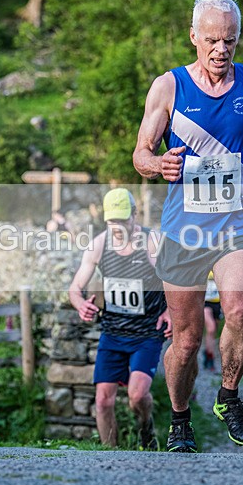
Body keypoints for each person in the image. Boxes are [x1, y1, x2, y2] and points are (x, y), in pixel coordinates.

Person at [133, 0, 243, 452]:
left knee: (239, 310)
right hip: (184, 228)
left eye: (230, 41)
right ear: (194, 37)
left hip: (236, 221)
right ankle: (180, 420)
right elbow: (141, 154)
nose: (221, 49)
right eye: (212, 40)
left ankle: (229, 396)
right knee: (187, 339)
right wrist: (160, 167)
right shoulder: (169, 87)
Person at [68, 188, 172, 450]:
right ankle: (109, 454)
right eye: (112, 220)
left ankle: (146, 428)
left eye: (123, 220)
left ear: (135, 215)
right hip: (113, 332)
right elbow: (74, 288)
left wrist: (171, 311)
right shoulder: (99, 245)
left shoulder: (151, 242)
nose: (118, 226)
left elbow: (175, 281)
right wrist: (80, 304)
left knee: (137, 396)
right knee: (103, 400)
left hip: (146, 333)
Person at [202, 271, 220, 372]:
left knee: (213, 333)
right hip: (206, 302)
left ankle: (207, 351)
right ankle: (210, 358)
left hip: (218, 303)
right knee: (211, 329)